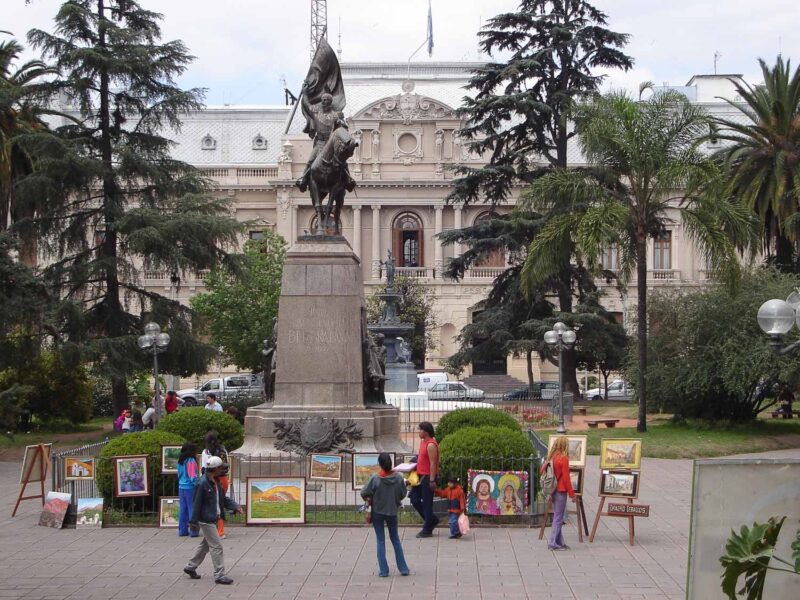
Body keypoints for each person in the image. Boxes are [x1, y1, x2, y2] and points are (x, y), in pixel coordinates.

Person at [184, 456, 243, 584]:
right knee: (217, 547)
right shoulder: (202, 483)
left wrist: (235, 506)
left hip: (214, 518)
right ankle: (219, 575)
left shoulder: (216, 481)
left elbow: (223, 499)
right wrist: (193, 522)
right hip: (206, 520)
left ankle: (190, 566)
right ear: (215, 468)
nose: (223, 469)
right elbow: (196, 503)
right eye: (221, 467)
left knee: (205, 545)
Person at [360, 452, 410, 577]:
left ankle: (383, 571)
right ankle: (403, 569)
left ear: (380, 464)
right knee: (395, 539)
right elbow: (403, 494)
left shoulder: (375, 478)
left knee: (380, 540)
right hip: (392, 511)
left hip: (378, 512)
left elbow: (364, 492)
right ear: (391, 463)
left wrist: (370, 499)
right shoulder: (398, 477)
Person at [541, 436, 575, 551]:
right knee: (558, 517)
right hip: (561, 490)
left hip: (552, 489)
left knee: (557, 515)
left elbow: (542, 470)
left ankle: (560, 542)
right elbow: (566, 479)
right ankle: (553, 543)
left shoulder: (551, 457)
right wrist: (572, 494)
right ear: (565, 445)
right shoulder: (563, 458)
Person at [409, 422, 440, 538]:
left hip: (428, 477)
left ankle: (427, 529)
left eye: (420, 430)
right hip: (420, 475)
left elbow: (433, 464)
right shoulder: (423, 443)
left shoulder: (431, 445)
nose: (419, 432)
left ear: (426, 431)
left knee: (427, 504)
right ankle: (432, 519)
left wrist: (432, 480)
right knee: (414, 499)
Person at [202, 430, 230, 538]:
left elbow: (205, 467)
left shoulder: (206, 452)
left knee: (211, 504)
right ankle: (220, 530)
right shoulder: (223, 450)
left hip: (211, 480)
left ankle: (212, 529)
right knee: (220, 504)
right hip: (223, 479)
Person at [176, 442, 199, 538]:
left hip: (181, 486)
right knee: (192, 509)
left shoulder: (180, 460)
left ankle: (182, 530)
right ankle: (193, 531)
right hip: (190, 487)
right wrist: (197, 484)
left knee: (183, 509)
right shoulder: (190, 461)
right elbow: (192, 476)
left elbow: (179, 474)